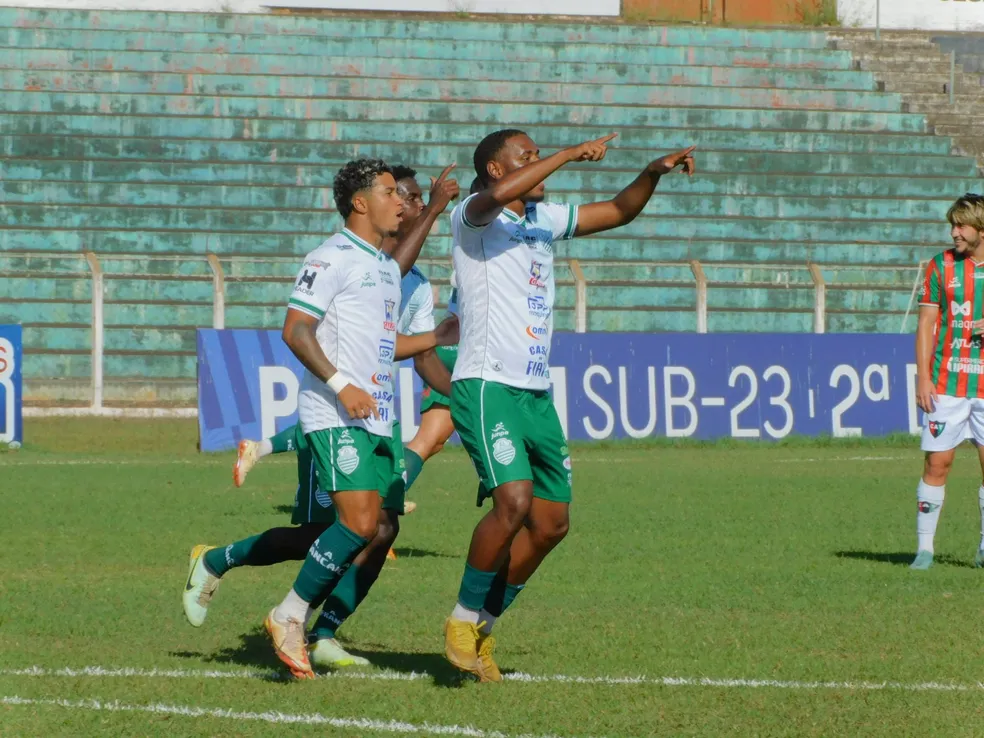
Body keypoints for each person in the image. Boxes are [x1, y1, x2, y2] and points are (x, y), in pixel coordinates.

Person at [443, 129, 695, 682]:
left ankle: (483, 626)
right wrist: (565, 155)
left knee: (552, 524)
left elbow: (618, 211)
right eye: (525, 158)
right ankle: (460, 620)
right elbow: (492, 198)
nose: (537, 165)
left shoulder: (542, 221)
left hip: (535, 393)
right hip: (487, 384)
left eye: (537, 156)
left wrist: (651, 172)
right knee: (512, 503)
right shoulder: (472, 217)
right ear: (494, 169)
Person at [912, 193, 984, 570]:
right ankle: (925, 550)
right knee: (937, 463)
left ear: (980, 228)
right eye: (952, 225)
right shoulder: (941, 265)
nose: (954, 231)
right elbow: (925, 323)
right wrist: (923, 377)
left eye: (961, 225)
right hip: (946, 383)